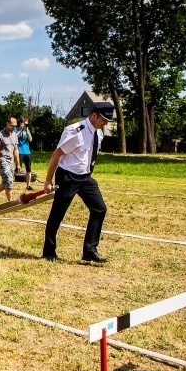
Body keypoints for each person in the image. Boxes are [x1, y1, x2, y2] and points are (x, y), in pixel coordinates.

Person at [42, 102, 114, 263]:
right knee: (57, 215)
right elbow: (56, 156)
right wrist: (48, 181)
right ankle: (49, 251)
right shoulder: (75, 132)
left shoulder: (97, 133)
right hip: (68, 177)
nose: (106, 123)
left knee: (99, 209)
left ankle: (90, 250)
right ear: (94, 115)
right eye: (104, 119)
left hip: (85, 177)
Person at [0, 118, 20, 206]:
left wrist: (18, 164)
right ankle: (10, 203)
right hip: (2, 161)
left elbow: (16, 150)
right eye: (12, 125)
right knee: (9, 180)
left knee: (6, 182)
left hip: (11, 161)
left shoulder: (14, 135)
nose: (13, 127)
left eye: (15, 126)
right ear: (7, 123)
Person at [17, 117, 34, 190]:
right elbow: (15, 137)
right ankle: (9, 182)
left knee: (28, 169)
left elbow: (30, 140)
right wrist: (20, 130)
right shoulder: (16, 129)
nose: (25, 125)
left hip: (27, 152)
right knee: (17, 168)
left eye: (26, 124)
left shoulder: (28, 130)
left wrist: (26, 130)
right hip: (19, 151)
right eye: (24, 123)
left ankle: (28, 185)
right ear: (21, 123)